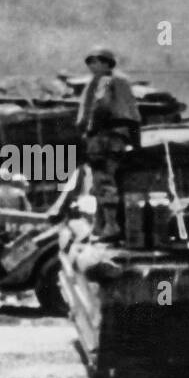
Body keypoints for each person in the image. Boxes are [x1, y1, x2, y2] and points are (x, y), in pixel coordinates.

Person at [76, 45, 141, 237]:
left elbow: (100, 104)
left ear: (106, 64)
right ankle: (101, 223)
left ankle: (110, 225)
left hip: (103, 136)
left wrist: (91, 129)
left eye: (95, 61)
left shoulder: (104, 81)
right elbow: (134, 116)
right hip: (119, 137)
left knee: (102, 179)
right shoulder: (124, 83)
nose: (91, 66)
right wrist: (137, 143)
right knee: (107, 179)